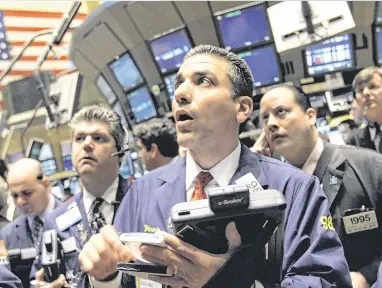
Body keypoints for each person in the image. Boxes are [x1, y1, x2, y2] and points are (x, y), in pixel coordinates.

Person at [78, 45, 351, 287]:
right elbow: (127, 276)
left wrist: (230, 282)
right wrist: (106, 277)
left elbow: (326, 280)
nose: (181, 94)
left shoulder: (295, 188)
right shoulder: (143, 193)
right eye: (179, 85)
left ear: (242, 108)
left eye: (203, 81)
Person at [252, 84, 382, 287]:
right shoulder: (268, 186)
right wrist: (252, 174)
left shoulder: (370, 166)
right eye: (265, 118)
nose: (271, 124)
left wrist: (368, 275)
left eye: (281, 112)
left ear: (310, 116)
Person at [30, 106, 132, 288]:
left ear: (120, 153)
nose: (87, 144)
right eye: (79, 138)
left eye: (98, 138)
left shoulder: (142, 201)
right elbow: (41, 275)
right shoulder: (55, 220)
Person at [2, 158, 61, 250]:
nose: (20, 201)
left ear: (46, 184)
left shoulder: (74, 219)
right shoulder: (7, 235)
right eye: (15, 195)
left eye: (27, 193)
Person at [347, 67, 382, 152]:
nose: (365, 93)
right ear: (357, 101)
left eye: (373, 86)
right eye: (360, 90)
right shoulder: (353, 142)